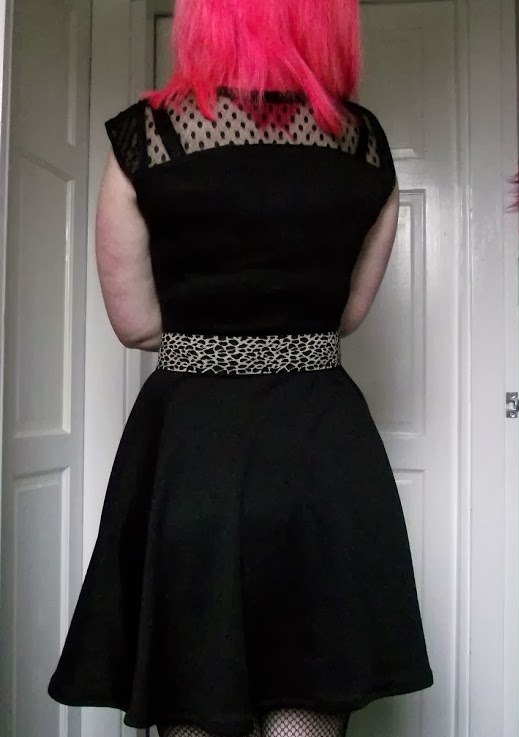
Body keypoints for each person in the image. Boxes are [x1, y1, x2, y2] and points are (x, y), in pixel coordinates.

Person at [46, 1, 434, 735]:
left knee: (194, 691)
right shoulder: (364, 143)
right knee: (307, 689)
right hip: (320, 452)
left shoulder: (149, 136)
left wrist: (212, 334)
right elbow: (348, 314)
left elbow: (135, 323)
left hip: (192, 450)